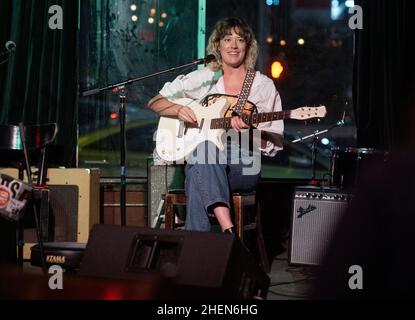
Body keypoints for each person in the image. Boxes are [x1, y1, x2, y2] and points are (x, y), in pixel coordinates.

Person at [148, 17, 284, 233]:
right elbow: (155, 102)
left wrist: (251, 131)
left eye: (240, 40)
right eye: (227, 39)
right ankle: (227, 234)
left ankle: (202, 249)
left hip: (244, 163)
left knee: (198, 167)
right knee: (203, 155)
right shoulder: (204, 79)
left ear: (248, 47)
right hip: (206, 159)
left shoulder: (261, 85)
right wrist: (178, 110)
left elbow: (275, 140)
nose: (233, 45)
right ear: (217, 45)